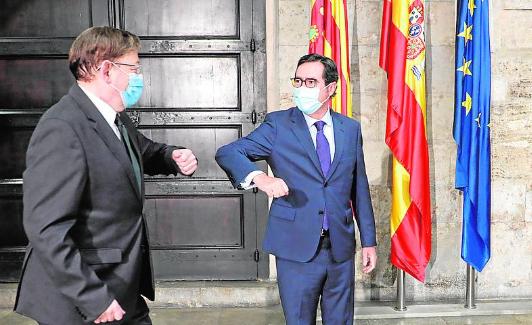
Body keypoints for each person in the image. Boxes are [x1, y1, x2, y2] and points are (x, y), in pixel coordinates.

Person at [14, 26, 198, 325]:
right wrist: (92, 297)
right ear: (107, 70)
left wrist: (171, 156)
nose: (138, 77)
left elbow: (141, 151)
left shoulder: (112, 115)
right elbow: (46, 228)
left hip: (121, 284)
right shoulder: (62, 127)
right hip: (81, 299)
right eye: (134, 68)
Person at [216, 54, 377, 324]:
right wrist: (260, 178)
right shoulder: (278, 125)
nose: (302, 87)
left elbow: (359, 188)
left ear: (331, 88)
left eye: (311, 81)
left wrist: (369, 241)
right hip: (296, 247)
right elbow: (228, 152)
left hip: (339, 247)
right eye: (298, 80)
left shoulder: (349, 129)